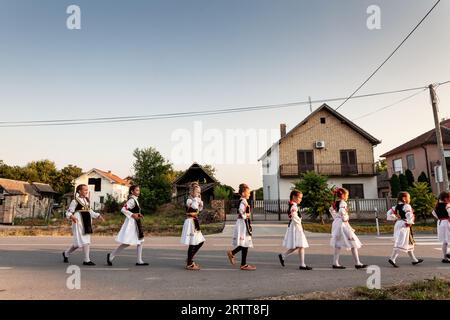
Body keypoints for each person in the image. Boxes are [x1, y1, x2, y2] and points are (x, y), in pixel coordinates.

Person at [62, 184, 104, 265]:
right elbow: (68, 212)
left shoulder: (86, 201)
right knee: (82, 242)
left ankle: (66, 253)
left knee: (82, 242)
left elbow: (90, 212)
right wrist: (72, 216)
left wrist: (98, 215)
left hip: (87, 224)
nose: (86, 191)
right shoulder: (75, 201)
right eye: (84, 190)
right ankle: (86, 260)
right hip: (79, 224)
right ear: (79, 191)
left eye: (87, 190)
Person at [107, 185, 148, 266]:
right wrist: (132, 214)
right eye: (136, 190)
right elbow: (123, 209)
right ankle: (111, 255)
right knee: (128, 242)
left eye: (139, 190)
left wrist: (138, 214)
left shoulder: (135, 200)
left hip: (136, 222)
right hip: (132, 224)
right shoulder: (132, 200)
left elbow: (133, 211)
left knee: (140, 241)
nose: (138, 192)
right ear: (132, 191)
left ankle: (139, 260)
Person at [329, 187, 367, 269]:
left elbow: (331, 210)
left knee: (338, 244)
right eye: (347, 195)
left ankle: (335, 263)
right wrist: (345, 218)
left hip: (337, 224)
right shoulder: (343, 203)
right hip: (343, 225)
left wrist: (337, 218)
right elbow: (342, 213)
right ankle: (357, 263)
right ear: (343, 196)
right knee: (353, 242)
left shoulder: (336, 203)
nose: (347, 197)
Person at [387, 191, 423, 268]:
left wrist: (395, 217)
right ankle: (392, 258)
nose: (409, 199)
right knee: (401, 242)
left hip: (398, 223)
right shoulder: (407, 206)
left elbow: (388, 214)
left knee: (408, 242)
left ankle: (414, 260)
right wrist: (410, 222)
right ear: (404, 198)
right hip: (404, 224)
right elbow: (409, 215)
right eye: (408, 197)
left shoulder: (395, 207)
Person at [278, 190, 312, 270]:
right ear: (294, 197)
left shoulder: (293, 205)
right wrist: (299, 220)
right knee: (301, 245)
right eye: (299, 197)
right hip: (296, 227)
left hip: (295, 226)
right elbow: (294, 216)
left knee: (299, 245)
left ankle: (284, 256)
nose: (301, 199)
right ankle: (302, 264)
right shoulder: (294, 206)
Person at [227, 183, 256, 271]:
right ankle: (243, 264)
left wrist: (245, 216)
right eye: (248, 192)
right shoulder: (243, 201)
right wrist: (246, 215)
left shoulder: (243, 201)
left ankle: (233, 253)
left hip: (243, 223)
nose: (249, 194)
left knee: (245, 242)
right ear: (243, 193)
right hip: (243, 223)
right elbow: (240, 211)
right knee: (245, 242)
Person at [180, 182, 206, 270]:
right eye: (197, 192)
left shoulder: (196, 199)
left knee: (200, 241)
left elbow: (199, 209)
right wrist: (196, 199)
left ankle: (190, 258)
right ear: (191, 192)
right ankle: (189, 263)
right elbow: (194, 207)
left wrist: (200, 201)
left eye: (199, 193)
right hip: (190, 222)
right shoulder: (189, 200)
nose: (198, 194)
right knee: (192, 243)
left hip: (195, 221)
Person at [432, 191, 450, 263]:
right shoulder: (447, 205)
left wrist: (440, 217)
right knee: (447, 239)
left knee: (445, 241)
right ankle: (448, 254)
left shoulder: (437, 205)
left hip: (440, 223)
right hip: (447, 223)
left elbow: (434, 213)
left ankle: (445, 257)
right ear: (446, 198)